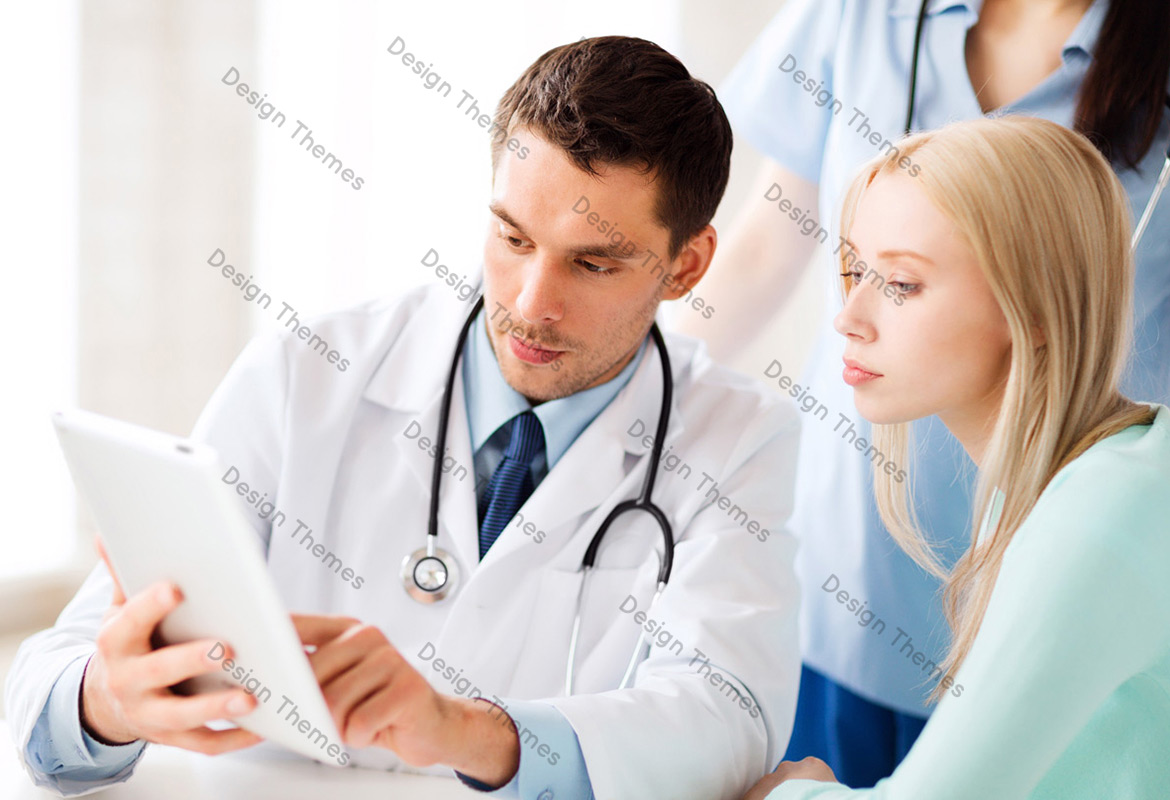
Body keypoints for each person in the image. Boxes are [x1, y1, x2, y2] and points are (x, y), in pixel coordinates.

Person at [5, 37, 804, 800]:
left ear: (687, 265)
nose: (531, 304)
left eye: (593, 264)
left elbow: (729, 719)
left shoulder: (737, 440)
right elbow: (55, 681)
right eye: (512, 236)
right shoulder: (308, 373)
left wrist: (466, 733)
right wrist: (103, 704)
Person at [676, 0, 1170, 785]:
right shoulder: (860, 18)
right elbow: (765, 252)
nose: (846, 320)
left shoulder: (1099, 521)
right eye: (852, 272)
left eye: (901, 282)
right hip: (856, 588)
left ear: (1038, 308)